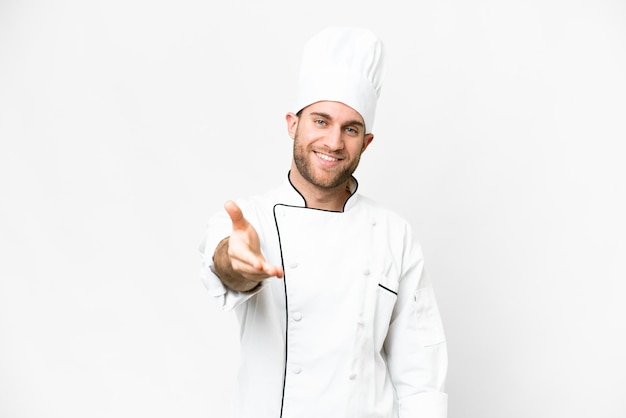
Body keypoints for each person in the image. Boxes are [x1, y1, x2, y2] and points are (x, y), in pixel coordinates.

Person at [199, 27, 448, 418]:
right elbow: (226, 267)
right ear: (292, 124)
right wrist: (238, 264)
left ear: (365, 142)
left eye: (350, 129)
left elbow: (421, 376)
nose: (333, 142)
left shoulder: (393, 234)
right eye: (320, 121)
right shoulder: (251, 219)